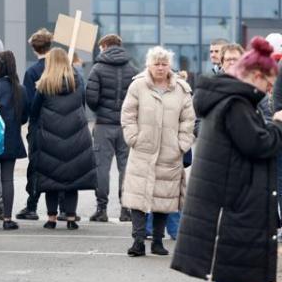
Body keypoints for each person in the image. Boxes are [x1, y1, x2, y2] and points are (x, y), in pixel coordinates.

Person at [172, 37, 282, 282]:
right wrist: (278, 125)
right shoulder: (237, 104)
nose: (271, 87)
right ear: (256, 77)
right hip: (238, 201)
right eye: (270, 80)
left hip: (226, 199)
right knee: (238, 274)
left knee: (227, 274)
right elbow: (258, 145)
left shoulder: (224, 99)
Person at [121, 46, 196, 257]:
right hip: (143, 150)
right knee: (137, 197)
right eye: (156, 64)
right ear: (149, 65)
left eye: (164, 64)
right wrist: (133, 138)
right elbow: (128, 114)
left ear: (169, 66)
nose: (160, 68)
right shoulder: (138, 86)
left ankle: (157, 241)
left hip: (169, 152)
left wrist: (181, 144)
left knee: (164, 198)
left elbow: (188, 120)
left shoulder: (181, 89)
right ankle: (137, 241)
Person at [29, 47, 96, 230]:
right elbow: (81, 106)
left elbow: (34, 111)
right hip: (75, 135)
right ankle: (71, 217)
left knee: (51, 178)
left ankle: (51, 218)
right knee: (71, 179)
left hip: (50, 136)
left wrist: (34, 133)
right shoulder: (77, 82)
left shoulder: (44, 85)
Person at [85, 34, 138, 222]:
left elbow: (90, 98)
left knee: (102, 167)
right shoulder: (132, 69)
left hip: (104, 125)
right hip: (126, 126)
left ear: (105, 46)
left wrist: (101, 110)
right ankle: (126, 209)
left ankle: (102, 209)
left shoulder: (97, 69)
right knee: (127, 168)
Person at [0, 50, 28, 230]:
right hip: (12, 138)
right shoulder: (20, 89)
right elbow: (24, 117)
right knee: (7, 179)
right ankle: (8, 218)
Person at [16, 29, 53, 221]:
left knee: (36, 165)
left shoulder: (32, 72)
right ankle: (63, 208)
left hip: (39, 125)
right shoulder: (61, 68)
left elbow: (29, 103)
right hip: (58, 124)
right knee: (58, 164)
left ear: (34, 48)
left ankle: (32, 204)